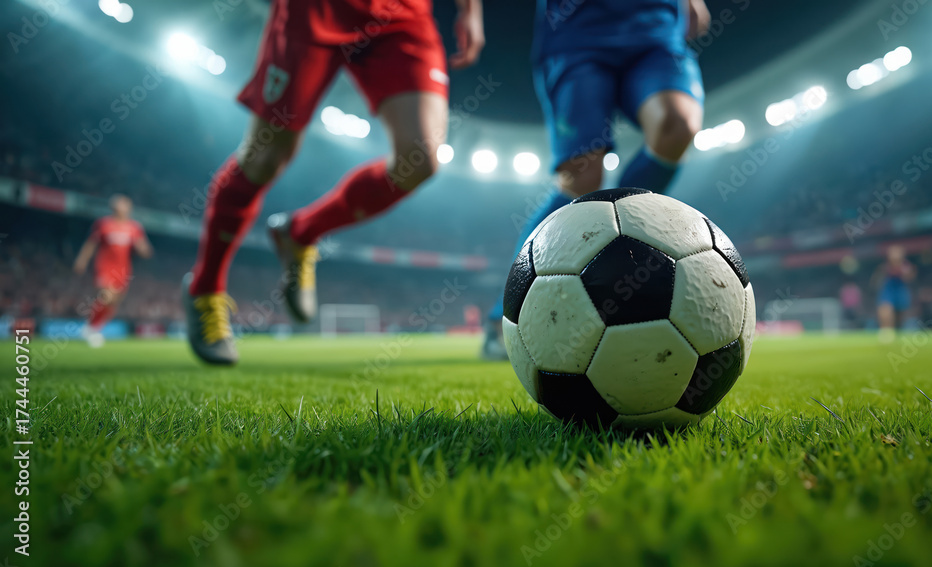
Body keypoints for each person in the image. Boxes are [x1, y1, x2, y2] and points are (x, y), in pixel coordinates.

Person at [183, 0, 485, 365]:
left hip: (401, 12)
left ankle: (300, 232)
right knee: (264, 157)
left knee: (419, 159)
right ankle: (205, 287)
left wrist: (470, 9)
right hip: (316, 10)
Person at [481, 0, 710, 360]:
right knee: (582, 177)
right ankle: (505, 316)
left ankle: (625, 250)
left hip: (655, 27)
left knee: (677, 125)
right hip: (577, 31)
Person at [73, 195, 153, 347]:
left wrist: (144, 250)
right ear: (113, 207)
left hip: (123, 270)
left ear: (129, 208)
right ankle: (90, 328)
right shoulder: (103, 224)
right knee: (107, 296)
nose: (121, 207)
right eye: (118, 204)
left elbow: (143, 247)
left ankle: (93, 327)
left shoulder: (134, 227)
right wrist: (82, 260)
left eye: (124, 204)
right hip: (104, 266)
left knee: (113, 302)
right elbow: (91, 243)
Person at [873, 245, 916, 342]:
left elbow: (910, 278)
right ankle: (885, 331)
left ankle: (896, 332)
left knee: (899, 316)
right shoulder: (885, 267)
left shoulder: (906, 267)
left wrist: (904, 272)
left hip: (900, 290)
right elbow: (877, 279)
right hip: (888, 290)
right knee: (885, 309)